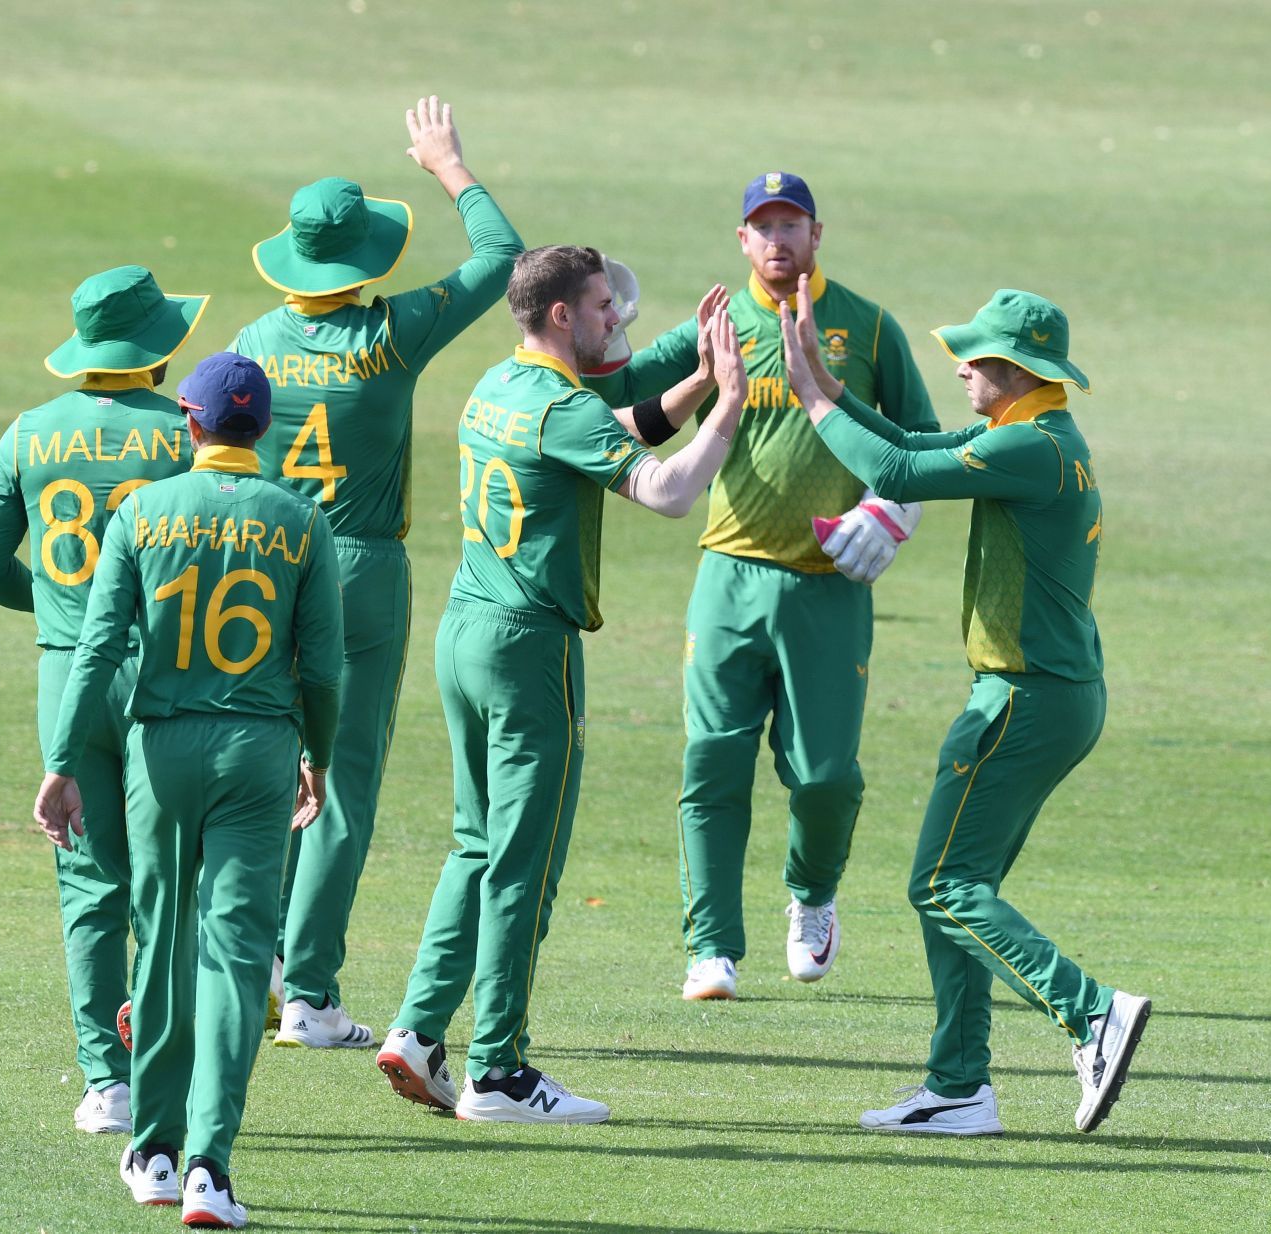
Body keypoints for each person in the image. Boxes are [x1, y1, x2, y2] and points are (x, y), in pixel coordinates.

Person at [375, 245, 746, 1123]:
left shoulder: (498, 388)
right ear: (559, 317)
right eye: (602, 306)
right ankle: (498, 1072)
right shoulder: (561, 405)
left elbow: (604, 437)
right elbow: (662, 491)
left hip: (464, 634)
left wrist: (692, 383)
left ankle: (419, 1031)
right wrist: (728, 406)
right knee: (523, 866)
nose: (617, 318)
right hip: (529, 650)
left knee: (476, 845)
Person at [775, 282, 1151, 1135]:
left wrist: (807, 396)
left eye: (975, 356)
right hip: (1043, 693)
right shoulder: (1026, 433)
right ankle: (958, 1086)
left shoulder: (1036, 449)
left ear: (1016, 369)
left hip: (1025, 697)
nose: (959, 366)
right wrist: (829, 390)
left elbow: (899, 472)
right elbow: (908, 441)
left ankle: (1092, 1014)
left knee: (943, 883)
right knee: (956, 886)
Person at [585, 172, 939, 1000]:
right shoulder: (716, 324)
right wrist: (628, 349)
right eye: (761, 226)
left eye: (792, 224)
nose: (777, 239)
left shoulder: (870, 326)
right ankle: (710, 945)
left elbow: (924, 445)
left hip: (828, 588)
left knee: (824, 778)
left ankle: (812, 894)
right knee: (711, 761)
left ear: (818, 234)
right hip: (729, 577)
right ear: (741, 240)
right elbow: (606, 401)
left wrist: (891, 513)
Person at [228, 95, 524, 1049]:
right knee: (343, 780)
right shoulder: (392, 334)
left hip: (265, 567)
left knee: (271, 766)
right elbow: (503, 259)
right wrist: (448, 166)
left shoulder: (252, 345)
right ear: (363, 258)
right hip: (359, 574)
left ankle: (256, 956)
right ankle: (310, 992)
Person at [34, 352, 345, 1225]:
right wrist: (316, 755)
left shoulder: (143, 511)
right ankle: (212, 1167)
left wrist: (63, 760)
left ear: (191, 422)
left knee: (163, 944)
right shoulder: (301, 521)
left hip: (160, 747)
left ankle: (157, 1148)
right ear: (263, 427)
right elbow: (321, 669)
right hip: (260, 749)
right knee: (241, 958)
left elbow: (97, 649)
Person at [0, 264, 207, 1136]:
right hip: (163, 678)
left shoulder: (28, 432)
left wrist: (66, 613)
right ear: (157, 347)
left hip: (67, 678)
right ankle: (163, 1061)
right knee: (167, 881)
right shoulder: (184, 434)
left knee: (88, 883)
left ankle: (106, 1082)